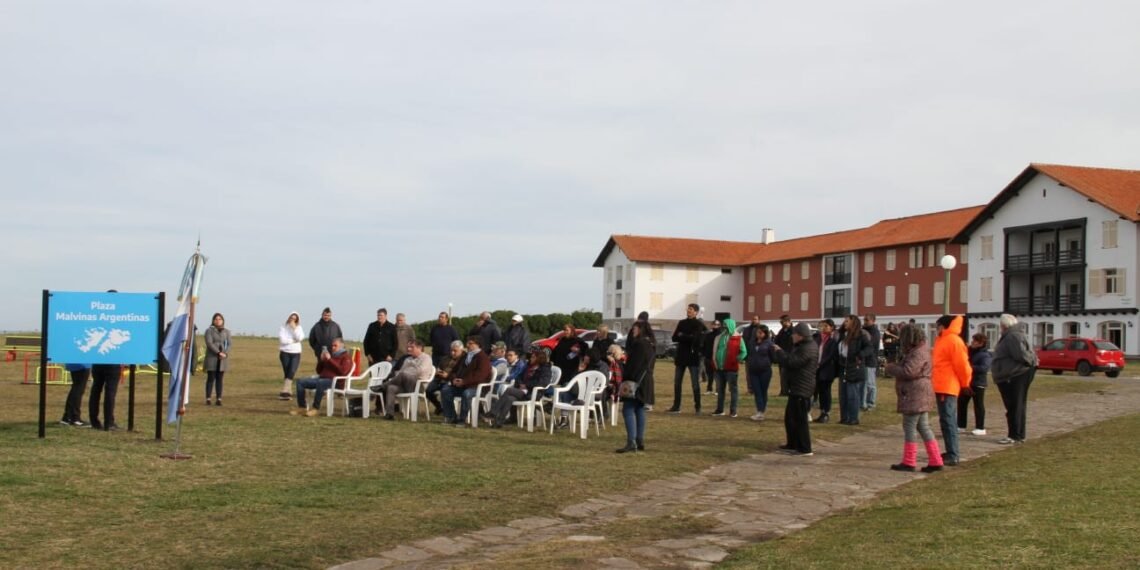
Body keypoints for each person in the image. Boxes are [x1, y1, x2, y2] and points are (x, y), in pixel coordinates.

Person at [885, 324, 944, 473]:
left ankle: (909, 461)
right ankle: (936, 460)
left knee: (910, 426)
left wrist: (891, 368)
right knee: (923, 427)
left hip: (915, 393)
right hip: (920, 393)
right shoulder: (921, 350)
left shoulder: (918, 353)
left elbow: (909, 371)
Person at [771, 322, 818, 456]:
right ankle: (792, 443)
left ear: (800, 335)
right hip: (797, 386)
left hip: (802, 387)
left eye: (794, 334)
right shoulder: (803, 346)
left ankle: (805, 448)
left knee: (800, 420)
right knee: (790, 418)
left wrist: (780, 352)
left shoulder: (807, 348)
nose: (792, 336)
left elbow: (792, 362)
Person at [931, 315, 973, 466]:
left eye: (937, 326)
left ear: (943, 326)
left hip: (947, 385)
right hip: (941, 384)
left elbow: (962, 365)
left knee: (948, 420)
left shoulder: (953, 341)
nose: (936, 329)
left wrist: (965, 384)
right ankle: (950, 451)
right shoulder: (942, 340)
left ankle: (953, 453)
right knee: (945, 420)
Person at [991, 313, 1037, 445]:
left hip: (1014, 375)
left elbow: (1021, 355)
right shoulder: (1013, 335)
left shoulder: (1012, 336)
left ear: (1004, 325)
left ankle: (1015, 435)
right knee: (1016, 405)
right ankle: (1018, 434)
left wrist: (1031, 362)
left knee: (1014, 406)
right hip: (1012, 374)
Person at [487, 350, 552, 428]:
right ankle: (499, 422)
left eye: (533, 357)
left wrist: (526, 385)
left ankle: (493, 412)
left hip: (533, 393)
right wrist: (521, 384)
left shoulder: (545, 369)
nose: (531, 359)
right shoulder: (528, 366)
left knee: (509, 390)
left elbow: (543, 383)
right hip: (522, 391)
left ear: (539, 358)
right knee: (509, 398)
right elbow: (519, 377)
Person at [617, 321, 654, 453]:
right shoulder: (650, 344)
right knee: (639, 409)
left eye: (635, 328)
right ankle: (639, 440)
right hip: (646, 380)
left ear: (641, 329)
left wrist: (625, 373)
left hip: (636, 381)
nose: (633, 330)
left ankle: (631, 441)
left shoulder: (639, 344)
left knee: (628, 409)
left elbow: (634, 365)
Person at [292, 337, 354, 417]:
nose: (333, 348)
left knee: (321, 383)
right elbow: (319, 371)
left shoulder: (346, 357)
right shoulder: (331, 356)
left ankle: (315, 408)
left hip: (336, 382)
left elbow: (343, 371)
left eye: (335, 346)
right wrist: (321, 360)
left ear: (341, 346)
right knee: (300, 382)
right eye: (332, 346)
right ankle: (302, 407)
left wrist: (330, 360)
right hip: (322, 379)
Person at [440, 336, 492, 425]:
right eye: (467, 343)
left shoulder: (483, 358)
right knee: (446, 390)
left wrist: (464, 382)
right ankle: (451, 417)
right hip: (463, 385)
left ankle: (462, 420)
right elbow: (454, 371)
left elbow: (480, 376)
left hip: (477, 387)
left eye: (470, 343)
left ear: (478, 345)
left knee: (467, 394)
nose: (467, 345)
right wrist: (454, 379)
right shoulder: (466, 356)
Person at [377, 339, 434, 419]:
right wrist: (405, 371)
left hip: (418, 385)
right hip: (405, 385)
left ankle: (382, 386)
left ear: (419, 348)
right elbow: (400, 372)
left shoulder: (426, 358)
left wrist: (410, 368)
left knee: (403, 375)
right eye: (408, 347)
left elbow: (420, 371)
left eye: (412, 347)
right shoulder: (408, 359)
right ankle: (390, 414)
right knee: (391, 388)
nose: (409, 349)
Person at [668, 303, 707, 414]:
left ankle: (698, 407)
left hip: (693, 357)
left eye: (691, 309)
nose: (688, 310)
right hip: (681, 356)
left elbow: (695, 339)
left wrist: (682, 335)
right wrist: (687, 336)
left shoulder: (698, 324)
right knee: (677, 382)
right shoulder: (681, 322)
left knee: (695, 383)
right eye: (688, 309)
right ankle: (676, 406)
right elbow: (674, 337)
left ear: (696, 312)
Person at [837, 314, 873, 425]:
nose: (845, 323)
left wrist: (860, 354)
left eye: (847, 321)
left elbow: (869, 347)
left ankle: (853, 418)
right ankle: (844, 417)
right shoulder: (843, 334)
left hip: (855, 367)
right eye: (844, 321)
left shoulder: (860, 335)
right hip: (843, 366)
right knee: (843, 395)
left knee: (852, 394)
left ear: (853, 322)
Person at [711, 318, 747, 418]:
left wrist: (737, 359)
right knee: (720, 390)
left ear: (731, 326)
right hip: (719, 368)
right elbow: (716, 349)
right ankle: (720, 410)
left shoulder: (738, 338)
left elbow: (744, 351)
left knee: (733, 390)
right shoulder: (719, 337)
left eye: (726, 325)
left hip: (731, 368)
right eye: (723, 325)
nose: (724, 327)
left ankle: (733, 411)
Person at [960, 333, 992, 436]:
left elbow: (984, 368)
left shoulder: (985, 355)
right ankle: (961, 425)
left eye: (975, 341)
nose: (972, 342)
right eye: (972, 340)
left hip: (978, 383)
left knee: (978, 405)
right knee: (961, 403)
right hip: (967, 382)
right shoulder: (969, 351)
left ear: (981, 343)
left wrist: (969, 367)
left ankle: (980, 427)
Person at [745, 324, 775, 421]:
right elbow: (749, 354)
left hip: (765, 371)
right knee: (757, 391)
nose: (759, 334)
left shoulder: (769, 343)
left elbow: (773, 357)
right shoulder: (751, 343)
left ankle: (761, 411)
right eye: (758, 332)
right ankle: (759, 411)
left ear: (765, 333)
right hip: (753, 371)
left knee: (763, 391)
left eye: (761, 332)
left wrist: (766, 363)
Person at [426, 340, 465, 415]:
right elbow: (440, 367)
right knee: (428, 390)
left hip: (451, 380)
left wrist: (448, 376)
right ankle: (439, 407)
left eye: (455, 351)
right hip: (439, 379)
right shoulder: (446, 358)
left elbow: (460, 373)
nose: (452, 353)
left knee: (445, 390)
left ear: (461, 350)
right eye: (451, 350)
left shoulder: (464, 360)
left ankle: (449, 412)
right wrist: (438, 371)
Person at [814, 319, 840, 423]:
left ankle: (826, 412)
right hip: (818, 369)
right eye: (822, 326)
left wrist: (820, 364)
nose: (823, 328)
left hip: (827, 369)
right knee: (820, 391)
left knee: (826, 391)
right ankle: (822, 412)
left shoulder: (833, 340)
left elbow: (830, 355)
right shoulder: (818, 339)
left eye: (826, 326)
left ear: (831, 328)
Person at [203, 312, 231, 406]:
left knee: (220, 378)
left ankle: (219, 398)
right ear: (213, 321)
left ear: (222, 320)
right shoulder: (209, 331)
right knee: (211, 378)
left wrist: (225, 353)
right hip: (212, 357)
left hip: (222, 359)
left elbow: (229, 344)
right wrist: (218, 352)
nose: (218, 321)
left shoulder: (226, 332)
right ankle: (208, 398)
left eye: (219, 319)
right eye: (216, 319)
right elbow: (209, 343)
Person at [278, 311, 304, 400]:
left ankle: (284, 391)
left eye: (295, 319)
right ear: (288, 318)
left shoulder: (299, 328)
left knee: (292, 371)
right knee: (287, 372)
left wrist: (294, 329)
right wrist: (292, 341)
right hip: (284, 352)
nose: (292, 320)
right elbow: (282, 340)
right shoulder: (283, 327)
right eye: (291, 318)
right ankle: (288, 392)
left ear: (297, 320)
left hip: (296, 353)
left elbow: (300, 338)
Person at [89, 362, 122, 431]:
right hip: (112, 364)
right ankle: (109, 422)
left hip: (97, 363)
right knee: (110, 392)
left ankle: (94, 421)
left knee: (95, 391)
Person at [862, 313, 882, 411]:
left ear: (873, 321)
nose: (865, 322)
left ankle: (871, 403)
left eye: (867, 320)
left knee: (870, 383)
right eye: (864, 320)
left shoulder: (875, 332)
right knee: (863, 383)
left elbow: (870, 344)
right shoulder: (863, 330)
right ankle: (863, 402)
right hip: (863, 360)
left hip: (870, 360)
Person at [773, 315, 794, 396]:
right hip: (781, 356)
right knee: (782, 374)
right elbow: (777, 341)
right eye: (781, 322)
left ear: (788, 321)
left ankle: (790, 390)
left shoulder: (793, 331)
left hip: (790, 355)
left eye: (783, 321)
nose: (781, 323)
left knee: (789, 374)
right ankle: (784, 391)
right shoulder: (781, 331)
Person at [700, 320, 720, 395]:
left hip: (717, 358)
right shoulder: (708, 335)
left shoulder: (720, 335)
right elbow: (704, 345)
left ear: (719, 326)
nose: (715, 326)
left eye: (717, 325)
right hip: (708, 357)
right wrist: (703, 353)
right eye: (714, 324)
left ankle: (718, 390)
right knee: (709, 375)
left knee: (717, 375)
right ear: (711, 325)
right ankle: (709, 389)